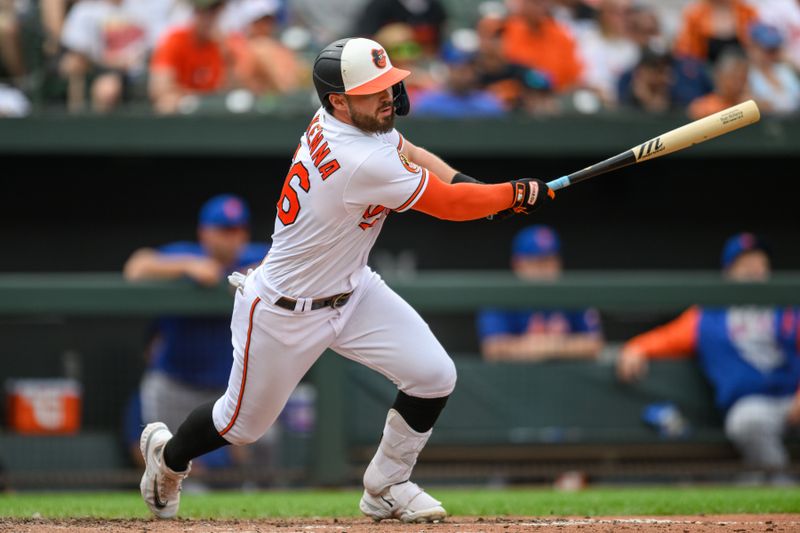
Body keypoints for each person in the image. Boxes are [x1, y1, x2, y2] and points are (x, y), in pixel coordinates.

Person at [138, 36, 554, 522]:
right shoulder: (358, 157)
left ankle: (386, 484)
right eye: (372, 90)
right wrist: (512, 195)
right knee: (239, 424)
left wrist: (478, 189)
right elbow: (448, 206)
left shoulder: (356, 125)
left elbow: (414, 154)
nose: (386, 96)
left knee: (434, 375)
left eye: (388, 84)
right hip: (282, 310)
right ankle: (167, 458)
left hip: (353, 291)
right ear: (338, 99)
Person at [617, 233, 800, 484]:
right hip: (755, 405)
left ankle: (757, 482)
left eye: (760, 263)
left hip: (793, 396)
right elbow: (666, 338)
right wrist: (635, 348)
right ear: (728, 272)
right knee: (747, 421)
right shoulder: (708, 315)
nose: (755, 270)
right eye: (745, 265)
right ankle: (784, 488)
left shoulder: (788, 307)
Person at [124, 193, 272, 480]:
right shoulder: (186, 253)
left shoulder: (254, 256)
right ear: (204, 232)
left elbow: (285, 260)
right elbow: (136, 267)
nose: (233, 238)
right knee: (165, 455)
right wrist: (188, 267)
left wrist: (252, 274)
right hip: (176, 382)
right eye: (224, 230)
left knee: (261, 453)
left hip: (229, 386)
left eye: (238, 230)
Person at [477, 225, 603, 362]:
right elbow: (493, 348)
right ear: (517, 263)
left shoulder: (573, 293)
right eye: (536, 262)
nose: (544, 269)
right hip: (516, 379)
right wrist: (563, 346)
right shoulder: (501, 296)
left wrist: (546, 347)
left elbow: (594, 344)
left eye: (549, 261)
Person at [673, 0, 759, 64]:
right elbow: (685, 53)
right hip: (707, 76)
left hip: (743, 74)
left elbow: (758, 47)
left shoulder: (747, 12)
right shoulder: (694, 15)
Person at [745, 22, 800, 115]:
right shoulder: (745, 75)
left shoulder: (785, 69)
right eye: (768, 50)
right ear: (753, 47)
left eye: (775, 49)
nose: (772, 54)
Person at [688, 48, 750, 119]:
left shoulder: (749, 106)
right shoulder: (702, 108)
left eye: (742, 78)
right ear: (719, 75)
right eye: (733, 77)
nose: (738, 83)